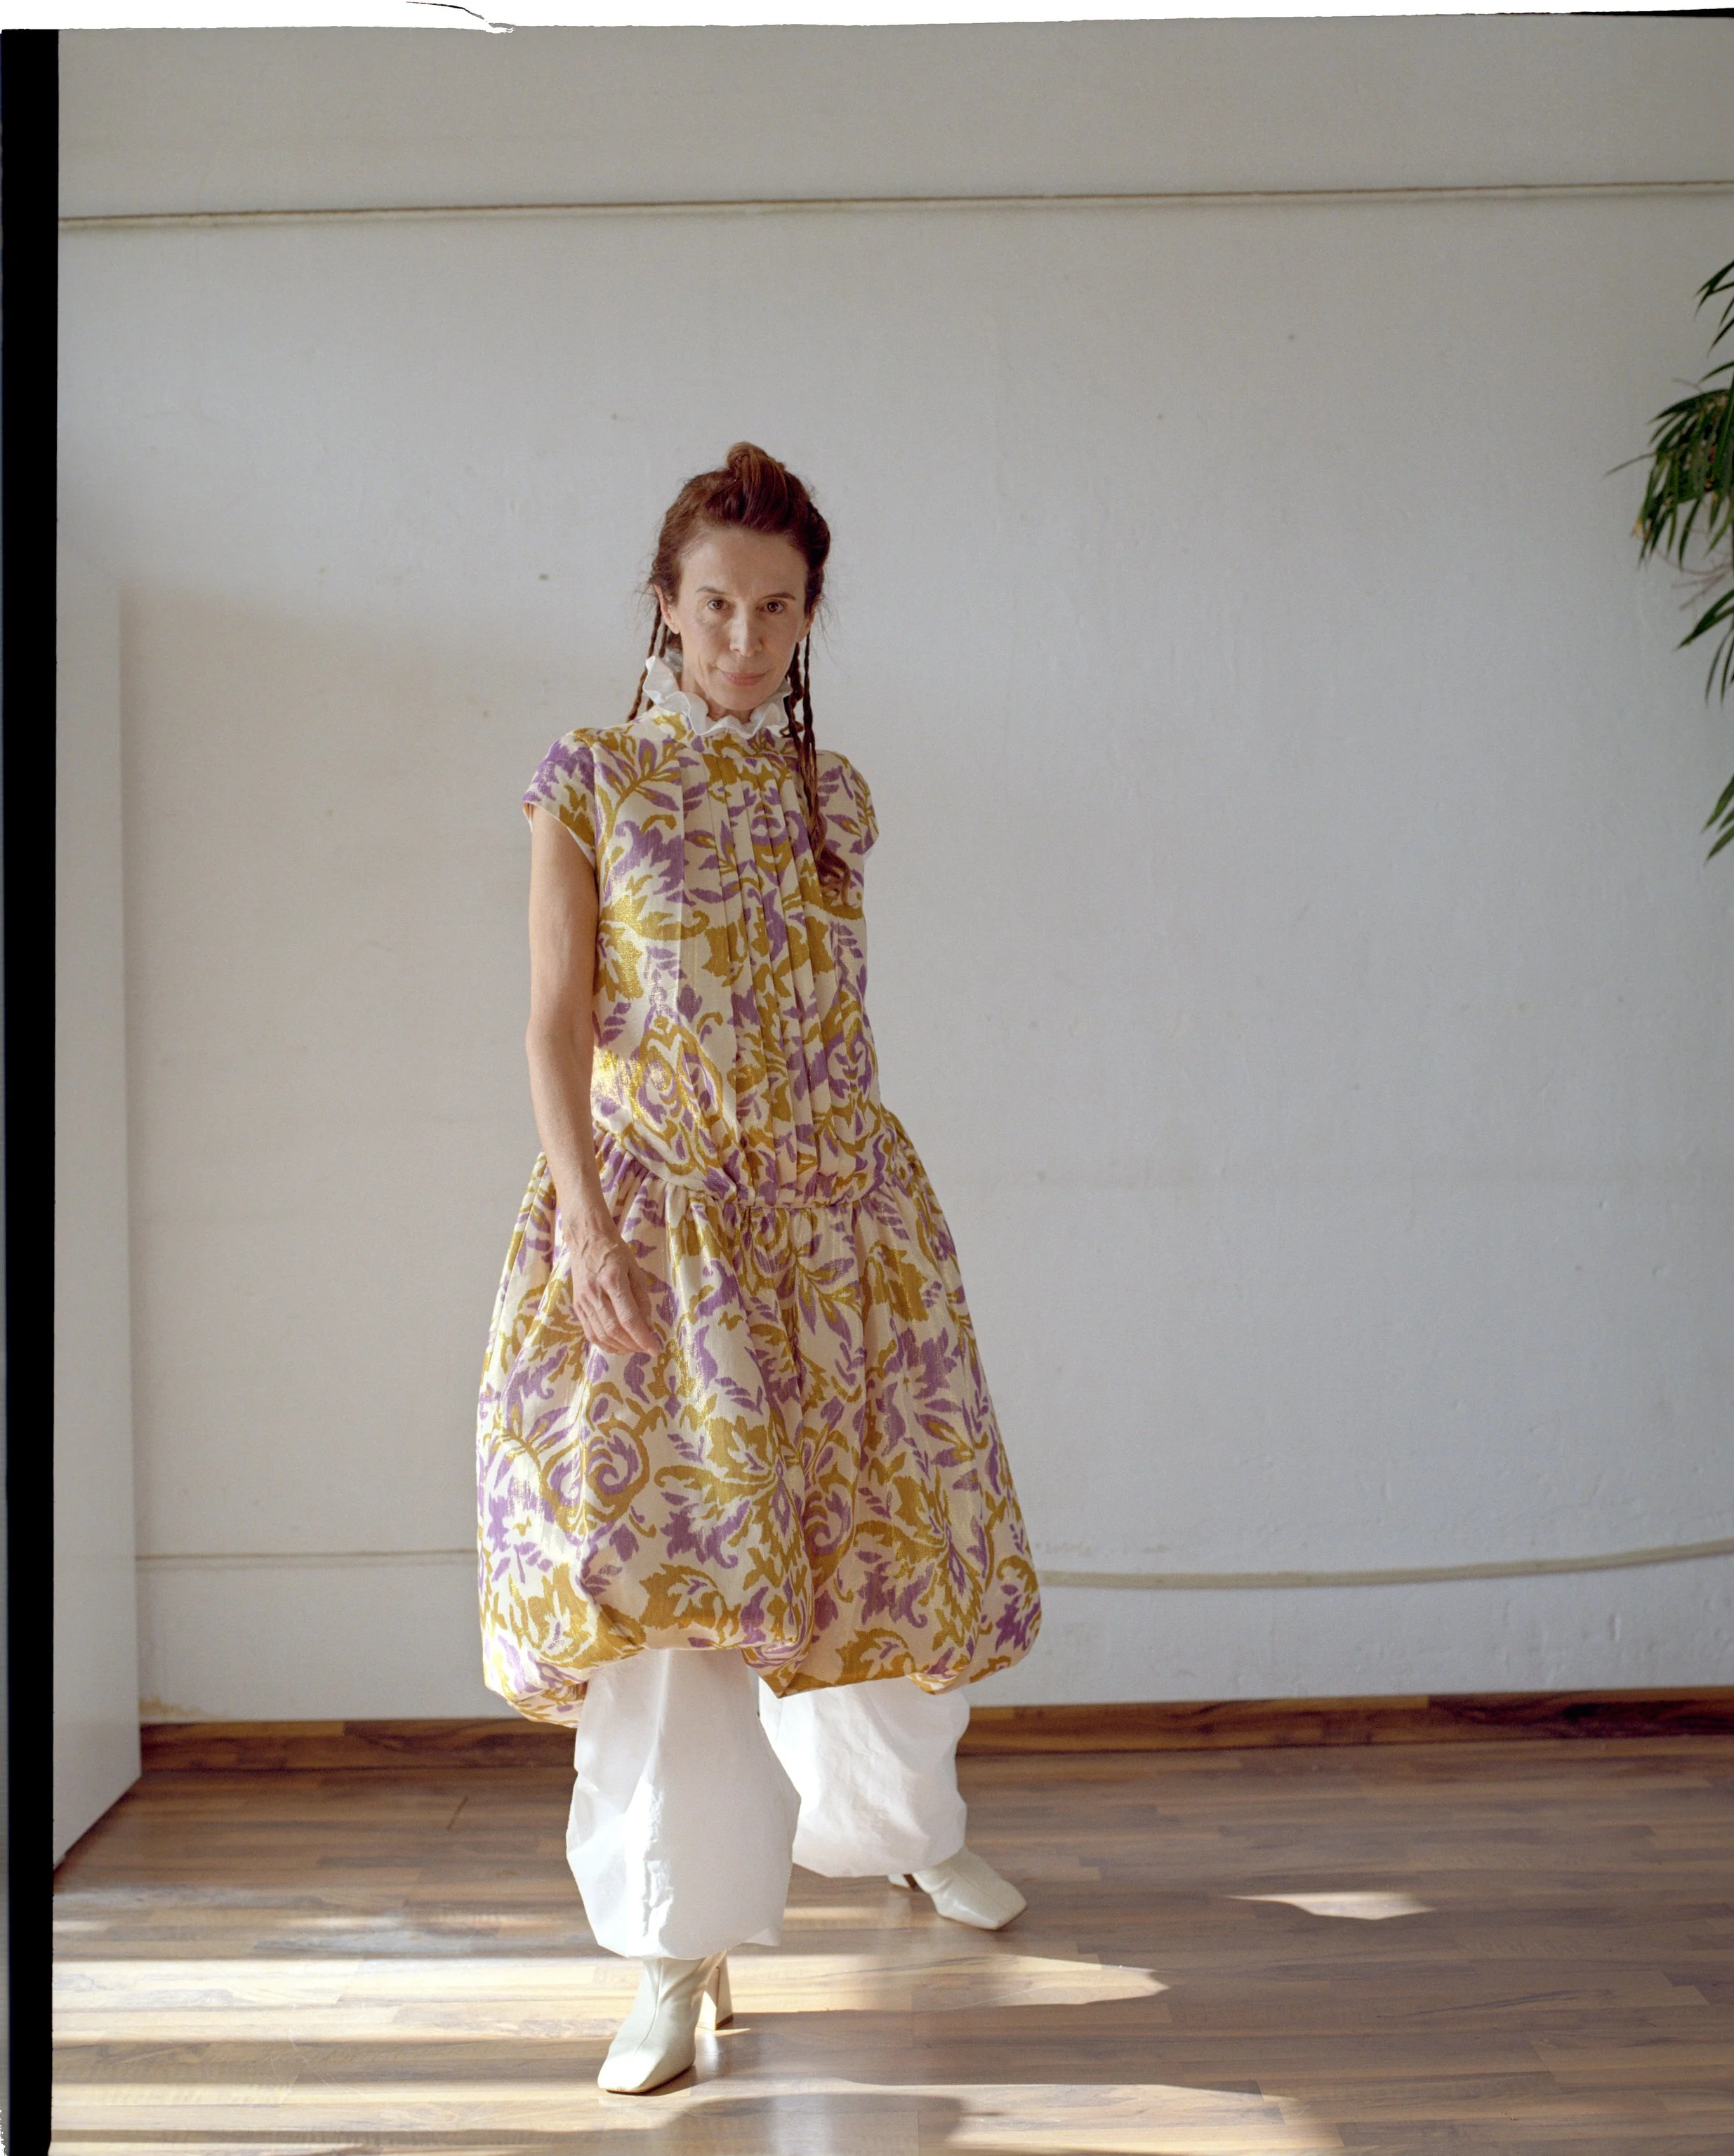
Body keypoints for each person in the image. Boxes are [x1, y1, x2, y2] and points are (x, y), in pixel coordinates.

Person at [477, 443, 1040, 2094]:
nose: (743, 637)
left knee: (869, 1549)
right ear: (664, 606)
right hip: (659, 1228)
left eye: (776, 608)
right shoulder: (588, 778)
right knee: (673, 1592)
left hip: (838, 1221)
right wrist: (587, 1222)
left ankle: (898, 1833)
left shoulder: (831, 795)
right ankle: (674, 1950)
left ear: (807, 618)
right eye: (715, 604)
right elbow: (552, 1026)